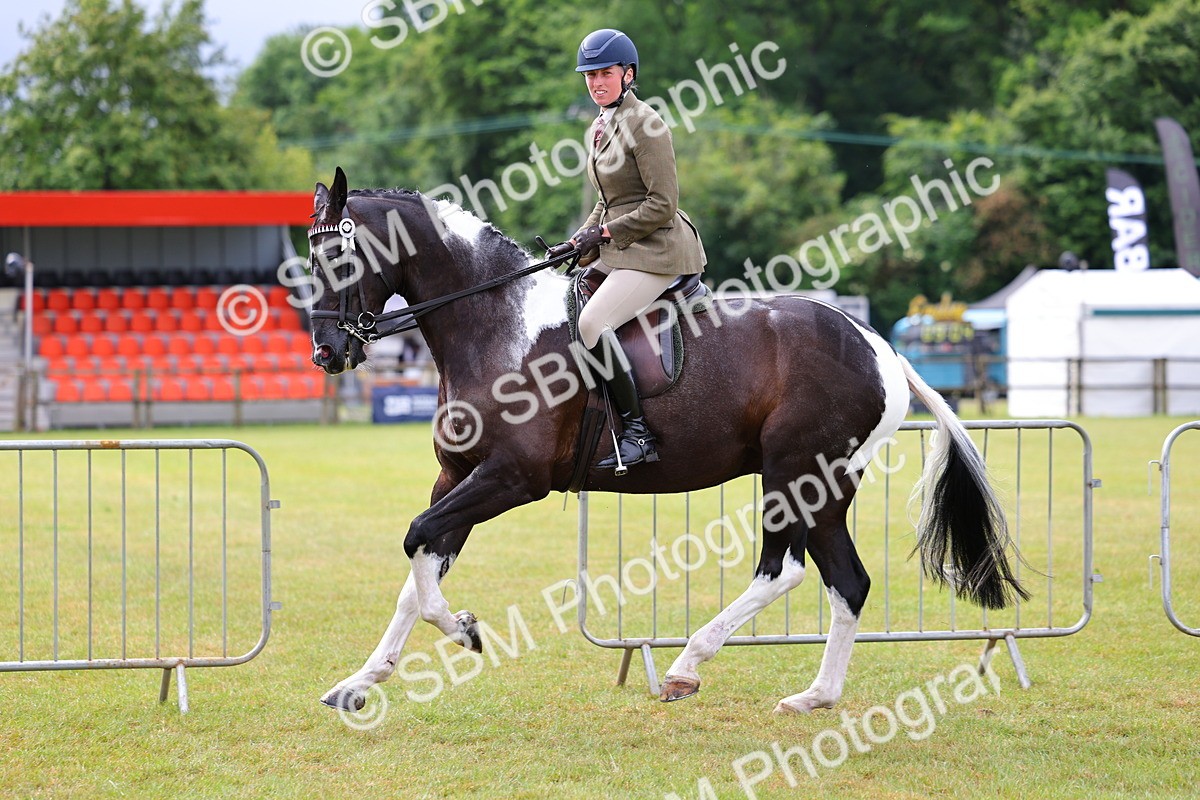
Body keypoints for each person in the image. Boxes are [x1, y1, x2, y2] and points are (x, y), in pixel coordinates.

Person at [550, 28, 707, 473]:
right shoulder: (599, 127)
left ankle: (638, 432)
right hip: (625, 246)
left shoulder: (648, 124)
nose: (596, 82)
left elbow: (663, 205)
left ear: (628, 74)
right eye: (589, 75)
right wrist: (576, 241)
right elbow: (606, 201)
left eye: (605, 73)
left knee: (593, 321)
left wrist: (600, 237)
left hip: (659, 249)